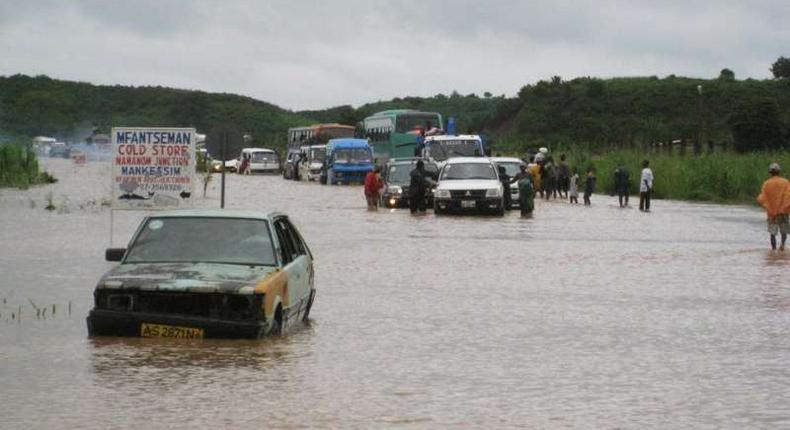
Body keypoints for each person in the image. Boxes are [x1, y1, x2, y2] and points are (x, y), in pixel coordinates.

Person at [757, 163, 790, 251]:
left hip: (772, 213)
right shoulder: (785, 182)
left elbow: (762, 198)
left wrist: (762, 202)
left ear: (770, 173)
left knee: (772, 233)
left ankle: (774, 250)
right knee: (784, 231)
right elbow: (788, 195)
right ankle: (782, 245)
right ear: (779, 172)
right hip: (783, 212)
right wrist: (786, 207)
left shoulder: (766, 184)